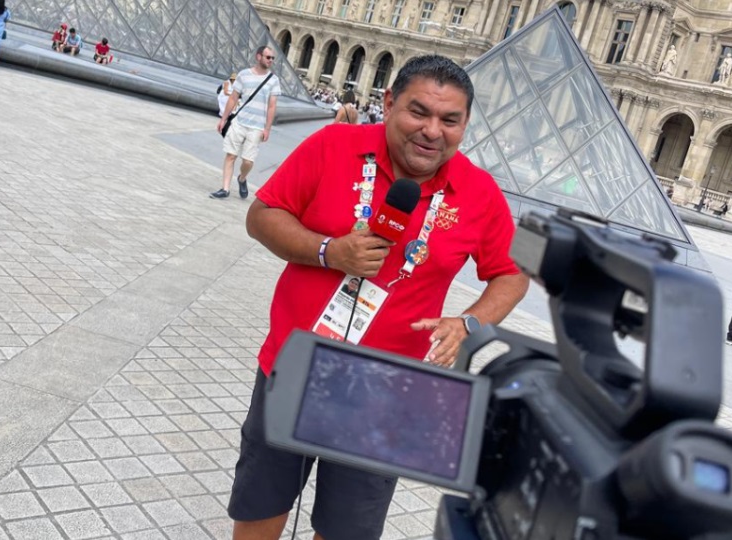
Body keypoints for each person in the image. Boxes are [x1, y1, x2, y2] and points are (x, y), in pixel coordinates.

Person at [228, 54, 530, 540]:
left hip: (387, 390)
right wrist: (329, 251)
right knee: (261, 505)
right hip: (295, 364)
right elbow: (262, 216)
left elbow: (511, 275)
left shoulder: (478, 191)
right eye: (418, 112)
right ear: (388, 103)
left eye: (449, 120)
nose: (432, 130)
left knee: (348, 526)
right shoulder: (333, 145)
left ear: (465, 124)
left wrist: (467, 324)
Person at [212, 46, 281, 200]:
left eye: (272, 58)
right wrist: (223, 119)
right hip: (239, 121)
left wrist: (267, 128)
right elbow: (233, 98)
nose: (271, 60)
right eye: (268, 57)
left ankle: (242, 178)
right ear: (258, 57)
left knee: (248, 161)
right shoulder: (243, 75)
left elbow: (272, 106)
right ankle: (225, 189)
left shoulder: (274, 80)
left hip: (257, 126)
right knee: (231, 155)